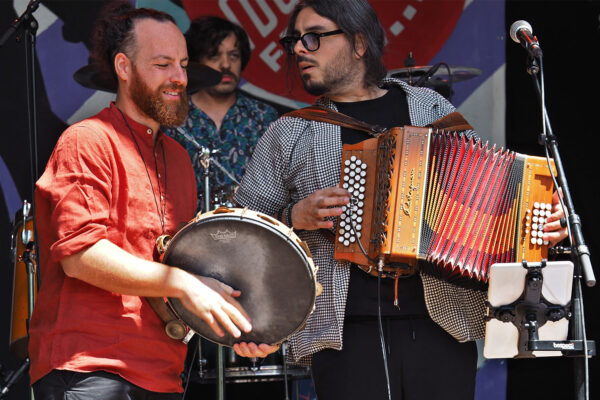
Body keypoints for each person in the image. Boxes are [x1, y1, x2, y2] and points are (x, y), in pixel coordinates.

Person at [233, 1, 569, 399]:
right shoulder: (289, 133)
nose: (299, 50)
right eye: (294, 41)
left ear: (359, 43)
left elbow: (490, 201)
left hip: (442, 324)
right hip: (343, 334)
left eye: (313, 37)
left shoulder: (430, 110)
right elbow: (239, 231)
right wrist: (294, 215)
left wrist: (537, 222)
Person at [28, 3, 276, 399]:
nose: (180, 78)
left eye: (182, 63)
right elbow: (80, 256)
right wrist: (184, 283)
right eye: (163, 64)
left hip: (162, 373)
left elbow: (188, 273)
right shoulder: (87, 139)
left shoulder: (179, 158)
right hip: (89, 366)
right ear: (124, 68)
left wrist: (245, 328)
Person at [165, 16, 278, 211]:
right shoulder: (175, 117)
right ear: (196, 62)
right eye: (214, 56)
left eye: (233, 55)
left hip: (255, 235)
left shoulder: (264, 117)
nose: (225, 64)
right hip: (189, 234)